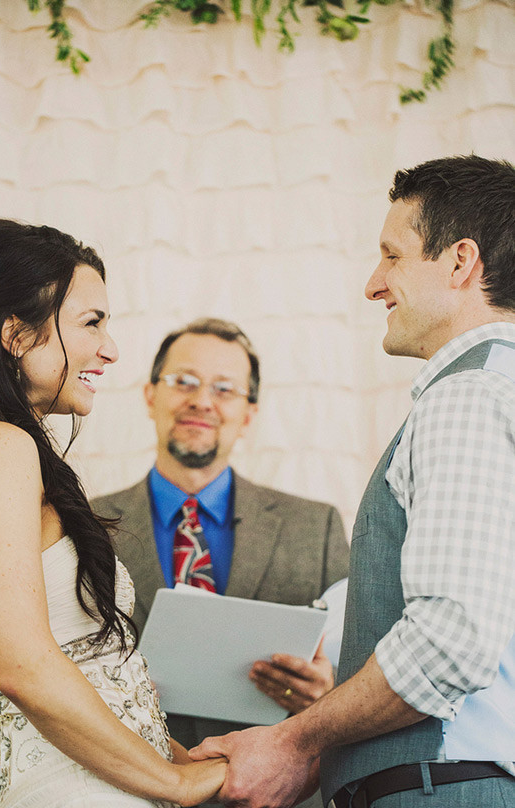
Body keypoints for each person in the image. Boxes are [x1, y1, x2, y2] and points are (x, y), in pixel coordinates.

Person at [189, 154, 515, 808]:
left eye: (392, 256)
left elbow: (451, 640)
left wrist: (294, 741)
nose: (373, 284)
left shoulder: (467, 397)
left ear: (460, 262)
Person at [0, 219, 227, 808]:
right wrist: (178, 784)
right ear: (16, 334)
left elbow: (96, 683)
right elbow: (23, 668)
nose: (111, 349)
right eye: (91, 322)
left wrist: (194, 763)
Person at [93, 318, 350, 767]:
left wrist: (328, 690)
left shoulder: (316, 527)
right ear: (150, 395)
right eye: (184, 381)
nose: (201, 401)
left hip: (276, 786)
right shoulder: (86, 525)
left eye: (225, 389)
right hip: (130, 780)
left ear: (248, 414)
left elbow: (361, 669)